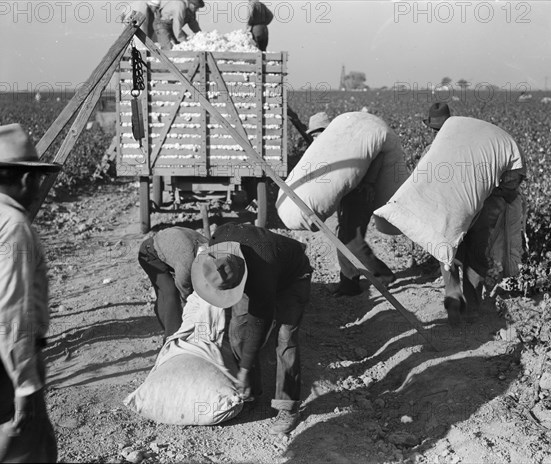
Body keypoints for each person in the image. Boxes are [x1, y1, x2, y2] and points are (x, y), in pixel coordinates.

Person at [191, 223, 312, 434]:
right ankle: (252, 391)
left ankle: (288, 407)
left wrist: (244, 368)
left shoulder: (262, 273)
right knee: (237, 332)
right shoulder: (220, 242)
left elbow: (259, 323)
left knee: (285, 339)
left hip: (293, 277)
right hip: (255, 270)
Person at [0, 123, 60, 463]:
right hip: (4, 364)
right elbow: (8, 313)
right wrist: (25, 385)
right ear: (24, 180)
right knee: (26, 451)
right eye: (35, 180)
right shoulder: (12, 226)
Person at [422, 106, 526, 325]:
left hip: (450, 209)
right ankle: (473, 308)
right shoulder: (479, 145)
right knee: (477, 254)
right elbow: (511, 181)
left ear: (434, 129)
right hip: (485, 208)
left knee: (447, 255)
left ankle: (453, 304)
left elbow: (421, 182)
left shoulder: (433, 150)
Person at [302, 112, 396, 297]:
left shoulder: (350, 143)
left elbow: (378, 155)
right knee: (342, 237)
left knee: (353, 242)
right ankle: (349, 284)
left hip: (360, 194)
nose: (314, 138)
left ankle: (384, 275)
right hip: (347, 196)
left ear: (326, 130)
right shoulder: (330, 146)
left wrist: (369, 182)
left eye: (316, 134)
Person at [138, 227, 208, 340]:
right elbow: (185, 293)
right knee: (170, 294)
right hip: (149, 253)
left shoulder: (208, 246)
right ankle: (171, 337)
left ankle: (164, 313)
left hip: (170, 247)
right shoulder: (187, 263)